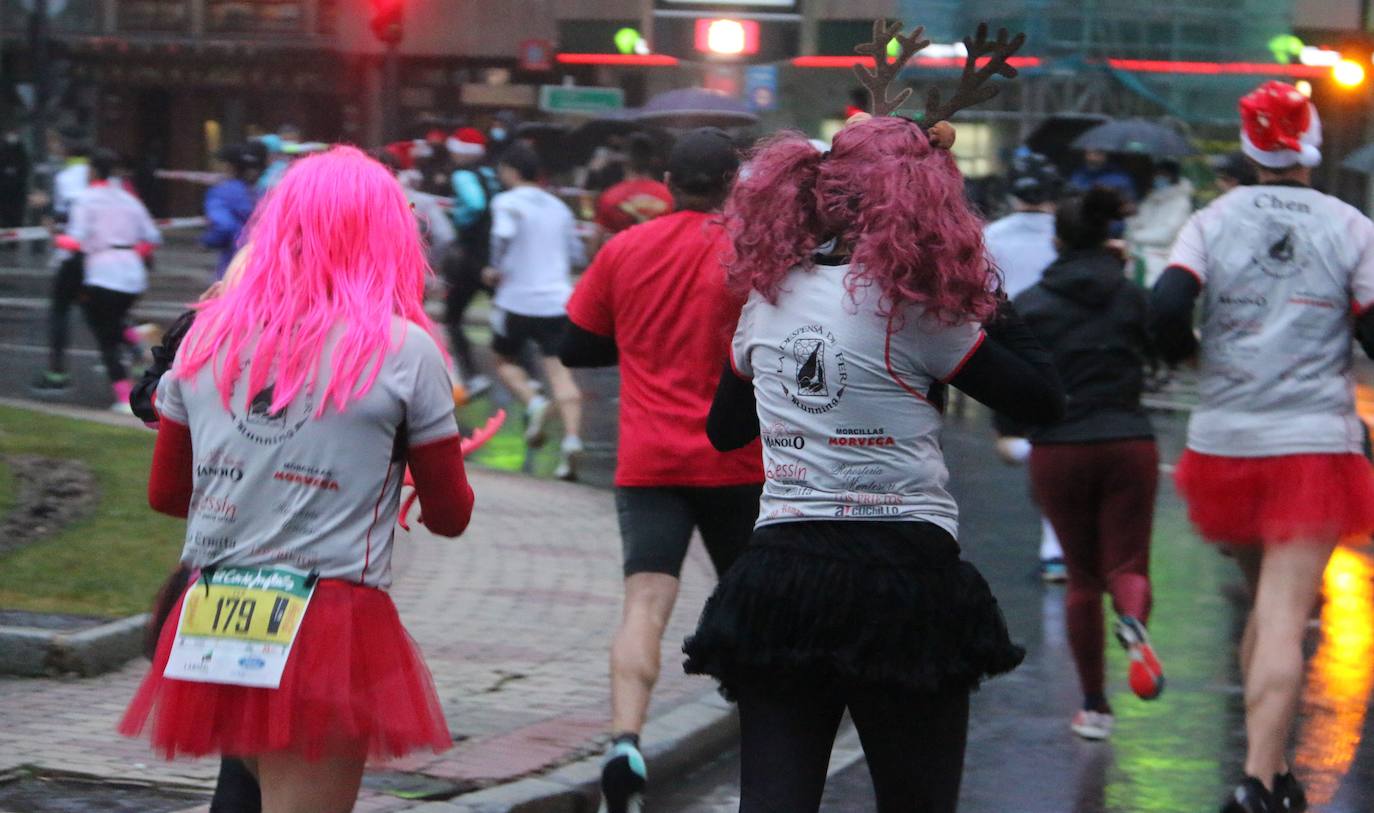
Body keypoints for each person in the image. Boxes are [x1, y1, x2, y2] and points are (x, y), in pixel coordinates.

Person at [683, 115, 1064, 813]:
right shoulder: (920, 313)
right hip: (902, 577)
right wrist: (974, 285)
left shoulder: (767, 299)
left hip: (783, 573)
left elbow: (724, 430)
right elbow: (1043, 398)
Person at [118, 147, 475, 813]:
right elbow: (451, 516)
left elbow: (167, 495)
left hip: (216, 604)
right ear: (389, 237)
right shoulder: (405, 351)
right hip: (330, 616)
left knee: (243, 793)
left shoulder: (204, 341)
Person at [1150, 81, 1374, 813]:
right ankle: (1255, 782)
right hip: (1311, 442)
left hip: (1225, 440)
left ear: (1248, 148)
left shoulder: (1212, 220)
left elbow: (1164, 309)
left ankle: (1272, 775)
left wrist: (1191, 357)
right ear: (1309, 144)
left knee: (1259, 606)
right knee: (1284, 611)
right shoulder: (1350, 225)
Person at [559, 128, 763, 813]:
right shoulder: (752, 255)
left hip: (648, 460)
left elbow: (576, 345)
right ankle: (768, 735)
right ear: (738, 184)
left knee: (644, 601)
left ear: (668, 182)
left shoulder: (625, 248)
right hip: (739, 460)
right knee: (754, 601)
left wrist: (642, 332)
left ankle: (624, 740)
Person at [1011, 188, 1165, 742]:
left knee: (1081, 577)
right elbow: (1161, 349)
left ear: (1057, 241)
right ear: (1109, 238)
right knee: (1128, 565)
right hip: (1128, 438)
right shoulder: (1131, 297)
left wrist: (1011, 432)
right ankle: (1134, 621)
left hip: (1059, 445)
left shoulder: (1029, 303)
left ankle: (1095, 706)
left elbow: (1008, 373)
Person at [984, 149, 1068, 582]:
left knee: (1013, 444)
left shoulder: (992, 235)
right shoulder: (1067, 235)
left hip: (1011, 353)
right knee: (1058, 438)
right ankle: (1058, 547)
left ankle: (1056, 549)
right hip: (1070, 350)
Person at [484, 143, 586, 479]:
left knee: (503, 360)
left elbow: (503, 235)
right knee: (559, 372)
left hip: (515, 301)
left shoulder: (506, 202)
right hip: (556, 302)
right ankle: (571, 442)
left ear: (512, 172)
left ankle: (533, 402)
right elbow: (575, 254)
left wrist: (494, 267)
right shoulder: (560, 208)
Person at [34, 149, 160, 410]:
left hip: (102, 274)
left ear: (91, 171)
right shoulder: (129, 200)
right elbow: (152, 237)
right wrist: (130, 252)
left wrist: (54, 236)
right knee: (107, 322)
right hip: (132, 276)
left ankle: (126, 396)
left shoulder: (86, 200)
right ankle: (138, 342)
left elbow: (75, 241)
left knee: (106, 338)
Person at [442, 127, 502, 399]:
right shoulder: (489, 173)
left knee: (452, 317)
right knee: (505, 311)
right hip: (492, 255)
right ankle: (531, 373)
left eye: (454, 148)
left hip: (469, 259)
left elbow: (474, 205)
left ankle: (474, 375)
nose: (451, 153)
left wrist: (460, 219)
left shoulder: (462, 175)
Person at [202, 143, 266, 279]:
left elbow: (224, 227)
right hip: (263, 264)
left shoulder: (221, 192)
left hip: (233, 263)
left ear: (231, 167)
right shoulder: (263, 194)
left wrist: (207, 241)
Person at [1126, 159, 1194, 286]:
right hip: (1137, 257)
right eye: (1157, 174)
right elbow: (1135, 224)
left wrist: (1135, 236)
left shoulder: (1181, 203)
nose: (1158, 178)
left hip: (1160, 260)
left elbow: (1166, 235)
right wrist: (1131, 217)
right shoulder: (1151, 199)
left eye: (1163, 175)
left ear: (1173, 177)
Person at [592, 132, 673, 238]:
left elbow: (596, 243)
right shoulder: (669, 197)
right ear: (653, 161)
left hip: (623, 253)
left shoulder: (610, 197)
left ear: (625, 160)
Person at [1069, 149, 1137, 203]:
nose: (1092, 158)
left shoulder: (1120, 177)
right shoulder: (1079, 173)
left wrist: (1111, 193)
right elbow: (1070, 195)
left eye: (1097, 153)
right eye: (1088, 153)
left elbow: (1130, 203)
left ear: (1106, 155)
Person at [0, 126, 29, 233]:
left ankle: (14, 241)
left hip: (17, 188)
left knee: (16, 214)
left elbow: (24, 167)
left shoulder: (20, 149)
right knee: (5, 213)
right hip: (4, 188)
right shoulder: (3, 148)